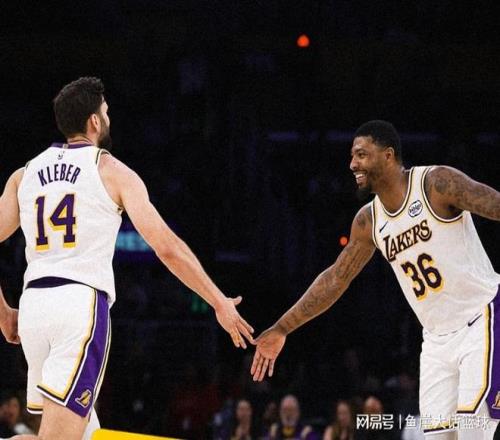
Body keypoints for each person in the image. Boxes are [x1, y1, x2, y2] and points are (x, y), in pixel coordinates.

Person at [0, 76, 255, 440]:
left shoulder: (23, 175)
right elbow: (167, 247)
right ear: (94, 121)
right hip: (78, 307)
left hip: (34, 308)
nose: (109, 118)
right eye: (106, 112)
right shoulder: (111, 171)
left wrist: (3, 311)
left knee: (81, 434)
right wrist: (218, 301)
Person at [251, 120, 500, 440]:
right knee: (437, 436)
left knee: (472, 430)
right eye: (352, 156)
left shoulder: (436, 183)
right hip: (437, 341)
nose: (352, 164)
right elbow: (335, 279)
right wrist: (282, 327)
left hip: (481, 319)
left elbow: (494, 204)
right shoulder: (369, 221)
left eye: (361, 154)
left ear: (388, 155)